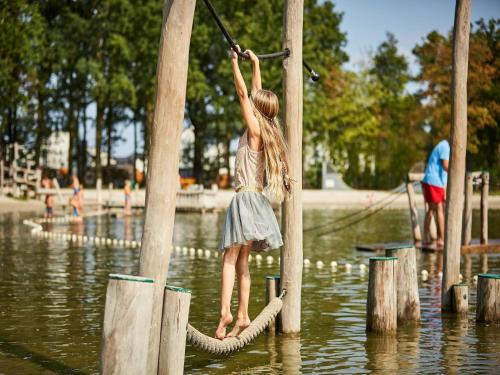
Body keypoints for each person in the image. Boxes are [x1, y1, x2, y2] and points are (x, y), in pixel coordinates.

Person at [215, 46, 292, 340]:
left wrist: (235, 63)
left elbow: (244, 94)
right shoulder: (267, 129)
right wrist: (256, 65)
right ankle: (244, 315)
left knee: (228, 259)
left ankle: (225, 312)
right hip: (257, 200)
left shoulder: (254, 130)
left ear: (257, 110)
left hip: (244, 199)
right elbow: (255, 94)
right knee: (243, 261)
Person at [421, 139, 450, 248]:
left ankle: (427, 237)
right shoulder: (445, 146)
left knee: (432, 209)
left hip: (433, 181)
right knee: (438, 209)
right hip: (433, 181)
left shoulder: (444, 146)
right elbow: (446, 166)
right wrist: (460, 171)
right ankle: (441, 239)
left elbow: (444, 172)